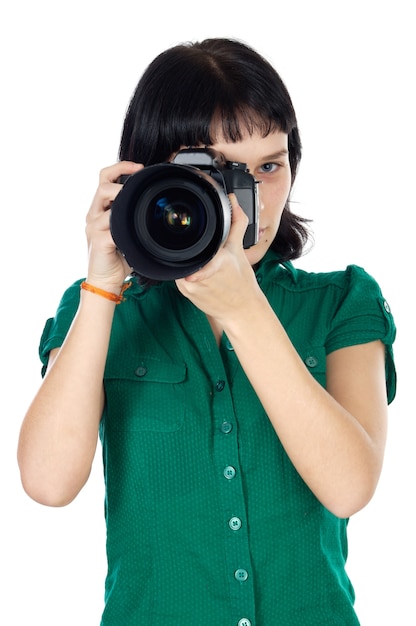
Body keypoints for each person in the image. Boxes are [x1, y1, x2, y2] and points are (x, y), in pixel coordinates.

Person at [17, 38, 396, 625]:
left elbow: (349, 488)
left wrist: (245, 310)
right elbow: (47, 483)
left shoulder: (341, 302)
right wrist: (101, 283)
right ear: (152, 176)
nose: (251, 201)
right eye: (215, 174)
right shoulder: (100, 311)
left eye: (269, 166)